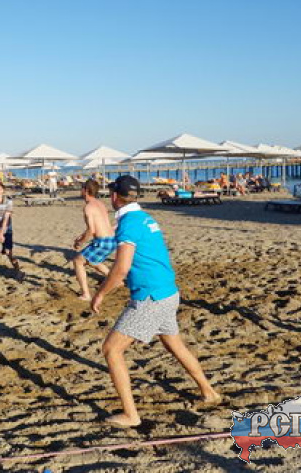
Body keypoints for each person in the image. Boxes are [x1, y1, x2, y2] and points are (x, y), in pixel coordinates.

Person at [91, 175, 219, 427]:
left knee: (111, 350)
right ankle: (209, 392)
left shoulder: (129, 223)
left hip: (151, 296)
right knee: (175, 345)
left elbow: (121, 268)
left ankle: (131, 415)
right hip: (168, 291)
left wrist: (101, 293)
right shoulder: (144, 217)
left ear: (114, 196)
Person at [72, 179, 116, 301]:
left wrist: (80, 242)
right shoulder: (100, 203)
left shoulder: (88, 207)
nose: (80, 191)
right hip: (112, 239)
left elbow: (91, 230)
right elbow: (96, 226)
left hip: (103, 241)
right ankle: (116, 281)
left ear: (86, 190)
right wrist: (81, 236)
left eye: (81, 189)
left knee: (78, 261)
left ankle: (86, 294)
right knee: (92, 261)